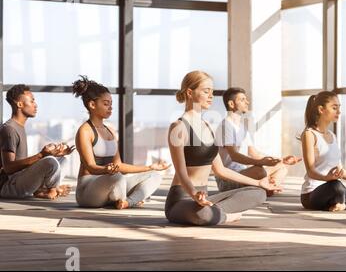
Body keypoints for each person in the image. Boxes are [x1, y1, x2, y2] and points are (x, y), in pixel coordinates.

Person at [166, 71, 279, 226]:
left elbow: (221, 170)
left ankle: (216, 212)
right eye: (206, 91)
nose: (211, 96)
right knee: (202, 214)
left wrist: (258, 183)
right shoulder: (178, 127)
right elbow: (181, 173)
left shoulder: (208, 127)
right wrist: (194, 194)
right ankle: (224, 216)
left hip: (204, 198)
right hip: (182, 200)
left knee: (259, 194)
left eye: (212, 92)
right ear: (190, 92)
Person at [73, 76, 169, 209]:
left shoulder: (111, 131)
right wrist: (107, 170)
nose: (110, 108)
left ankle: (126, 202)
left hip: (112, 182)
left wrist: (150, 167)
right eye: (106, 104)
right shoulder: (85, 131)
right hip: (88, 190)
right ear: (92, 105)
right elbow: (90, 167)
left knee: (154, 176)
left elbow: (119, 165)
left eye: (111, 104)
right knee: (117, 177)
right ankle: (122, 199)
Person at [215, 87, 301, 196]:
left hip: (243, 174)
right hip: (227, 179)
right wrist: (260, 163)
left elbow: (254, 153)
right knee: (259, 171)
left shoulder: (242, 127)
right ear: (231, 104)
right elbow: (234, 156)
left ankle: (268, 188)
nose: (247, 102)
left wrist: (281, 160)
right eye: (242, 99)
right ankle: (266, 188)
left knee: (282, 167)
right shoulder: (225, 126)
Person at [0, 84, 74, 200]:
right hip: (10, 186)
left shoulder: (19, 126)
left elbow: (21, 163)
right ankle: (52, 189)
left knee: (62, 160)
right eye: (32, 101)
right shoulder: (9, 129)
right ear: (20, 104)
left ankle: (44, 189)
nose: (36, 105)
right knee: (50, 162)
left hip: (21, 179)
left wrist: (52, 154)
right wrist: (42, 155)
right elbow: (9, 167)